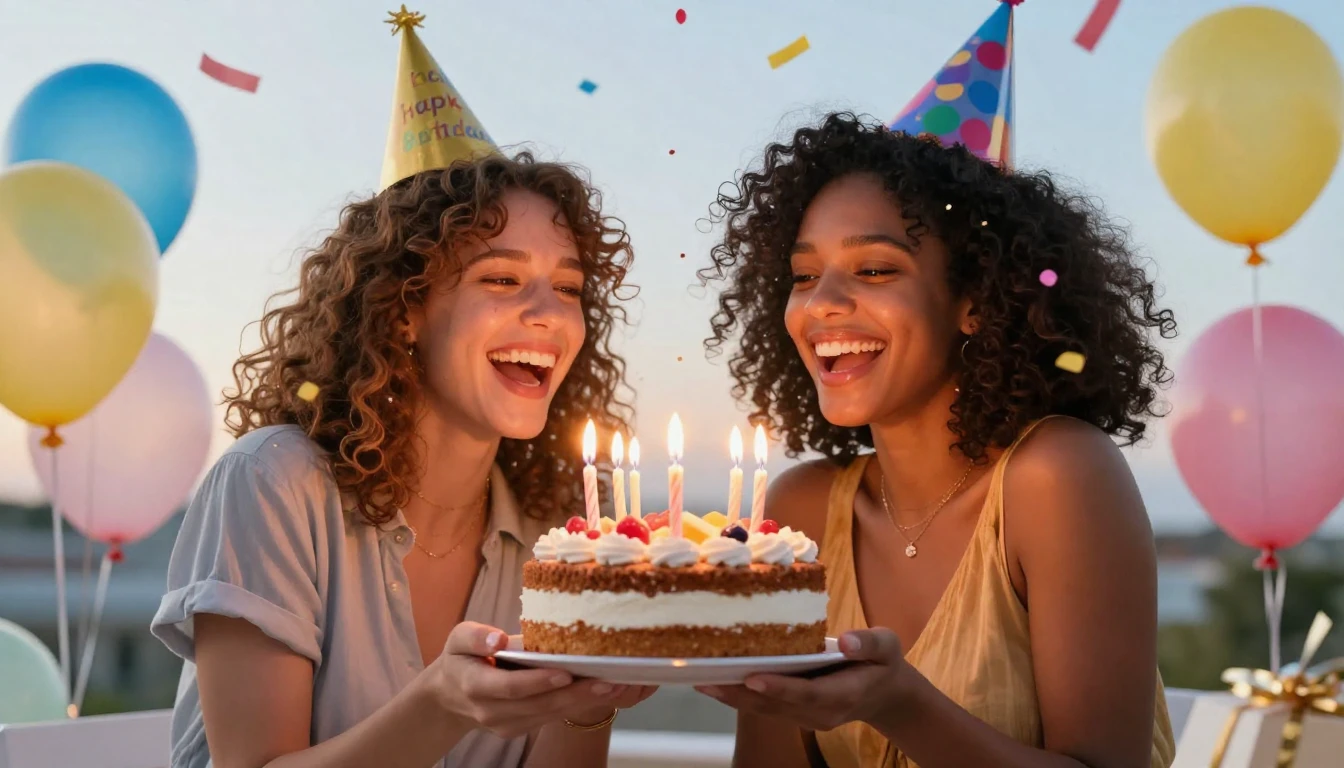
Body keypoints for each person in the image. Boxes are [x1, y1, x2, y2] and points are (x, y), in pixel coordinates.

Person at [693, 112, 1178, 768]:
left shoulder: (1056, 475)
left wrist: (899, 704)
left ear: (973, 299)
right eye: (804, 276)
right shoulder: (800, 511)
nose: (822, 303)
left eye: (874, 269)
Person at [150, 151, 654, 768]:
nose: (550, 314)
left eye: (569, 288)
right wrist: (442, 703)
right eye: (501, 279)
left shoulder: (558, 534)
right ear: (404, 308)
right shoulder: (271, 482)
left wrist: (591, 694)